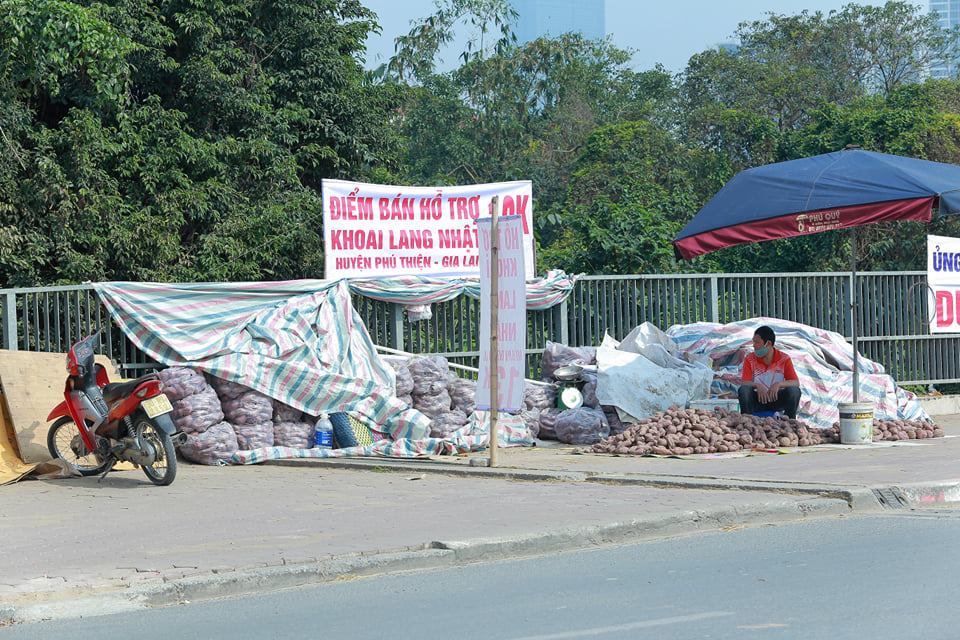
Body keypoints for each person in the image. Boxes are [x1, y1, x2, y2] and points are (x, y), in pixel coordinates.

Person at [737, 325, 801, 419]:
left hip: (776, 399)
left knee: (794, 391)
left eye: (757, 342)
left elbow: (795, 382)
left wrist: (779, 384)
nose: (754, 345)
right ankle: (747, 421)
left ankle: (789, 423)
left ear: (768, 344)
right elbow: (744, 382)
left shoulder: (784, 359)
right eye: (753, 342)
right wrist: (757, 386)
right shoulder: (750, 359)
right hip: (758, 399)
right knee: (744, 390)